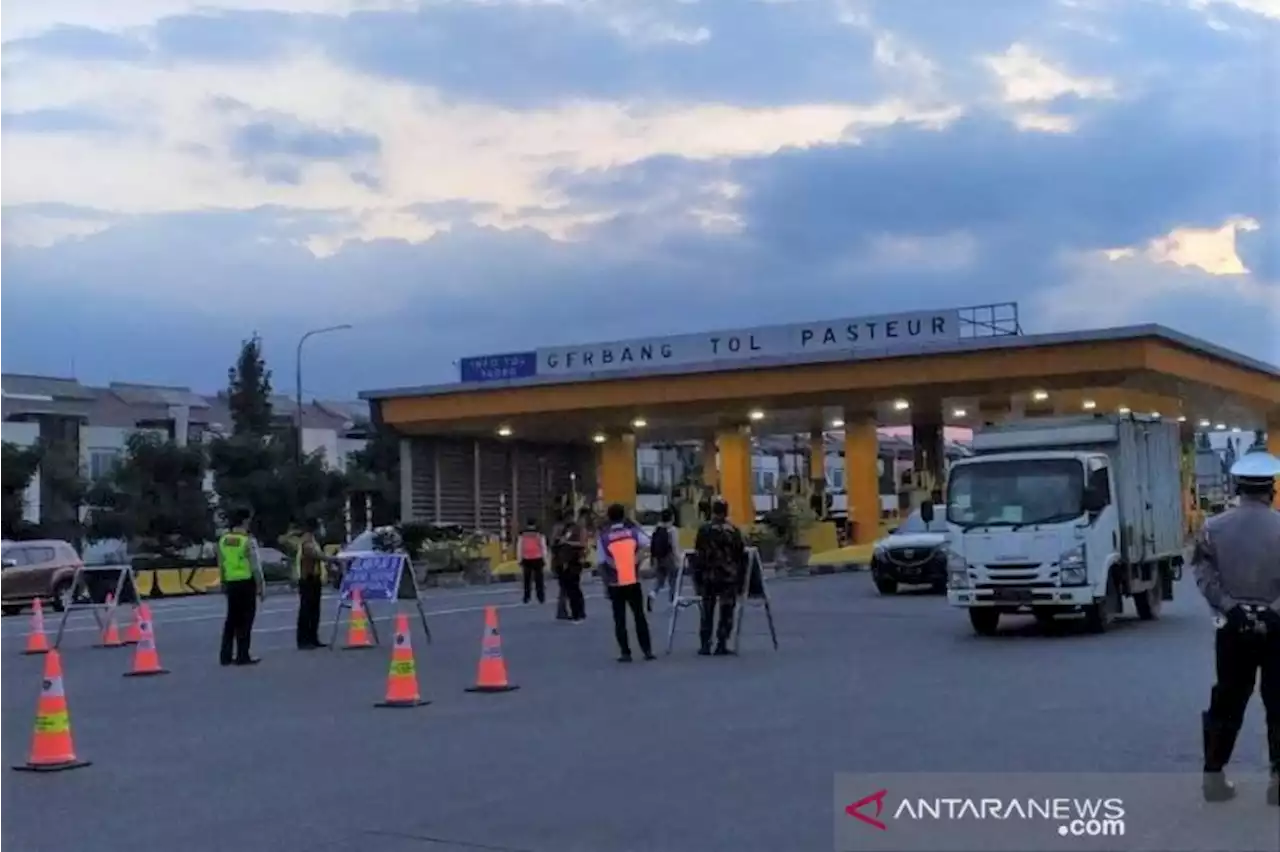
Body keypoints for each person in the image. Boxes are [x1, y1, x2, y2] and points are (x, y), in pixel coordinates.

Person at [1192, 449, 1280, 805]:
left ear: (1238, 488)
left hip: (1231, 626)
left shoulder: (1213, 527)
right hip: (1278, 628)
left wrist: (1232, 608)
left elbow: (1203, 574)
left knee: (1227, 699)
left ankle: (1213, 776)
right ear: (1271, 490)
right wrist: (1274, 611)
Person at [597, 503, 654, 662]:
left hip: (615, 583)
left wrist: (605, 584)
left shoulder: (604, 537)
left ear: (609, 517)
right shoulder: (633, 533)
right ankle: (647, 650)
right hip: (633, 580)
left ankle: (625, 652)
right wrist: (638, 559)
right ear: (624, 516)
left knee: (619, 619)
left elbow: (601, 563)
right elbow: (649, 544)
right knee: (639, 616)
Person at [693, 498, 747, 656]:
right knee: (726, 610)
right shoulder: (733, 531)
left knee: (707, 610)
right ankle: (721, 643)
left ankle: (705, 644)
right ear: (726, 511)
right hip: (728, 577)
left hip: (708, 576)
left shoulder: (704, 530)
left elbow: (698, 554)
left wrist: (698, 577)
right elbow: (740, 555)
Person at [217, 509, 266, 666]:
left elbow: (221, 564)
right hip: (246, 583)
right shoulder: (247, 541)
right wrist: (261, 586)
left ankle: (225, 656)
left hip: (231, 582)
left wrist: (223, 582)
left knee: (231, 620)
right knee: (245, 620)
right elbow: (255, 566)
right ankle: (242, 655)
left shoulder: (223, 540)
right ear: (245, 521)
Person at [294, 518, 340, 650]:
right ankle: (304, 640)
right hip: (307, 578)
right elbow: (314, 554)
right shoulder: (307, 540)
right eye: (320, 526)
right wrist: (332, 559)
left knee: (314, 610)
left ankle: (313, 638)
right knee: (307, 610)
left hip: (314, 578)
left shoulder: (312, 539)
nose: (322, 529)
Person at [647, 507, 681, 612]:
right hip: (669, 558)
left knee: (659, 581)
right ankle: (672, 603)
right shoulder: (672, 530)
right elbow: (674, 546)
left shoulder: (657, 528)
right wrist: (679, 559)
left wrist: (652, 558)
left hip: (659, 558)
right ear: (672, 517)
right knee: (673, 582)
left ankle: (652, 594)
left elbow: (652, 545)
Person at [517, 518, 549, 605]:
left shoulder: (522, 534)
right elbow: (543, 547)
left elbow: (519, 547)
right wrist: (545, 559)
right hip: (538, 558)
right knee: (539, 580)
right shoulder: (539, 534)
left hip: (526, 558)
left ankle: (526, 597)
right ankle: (541, 597)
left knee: (527, 580)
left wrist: (519, 559)